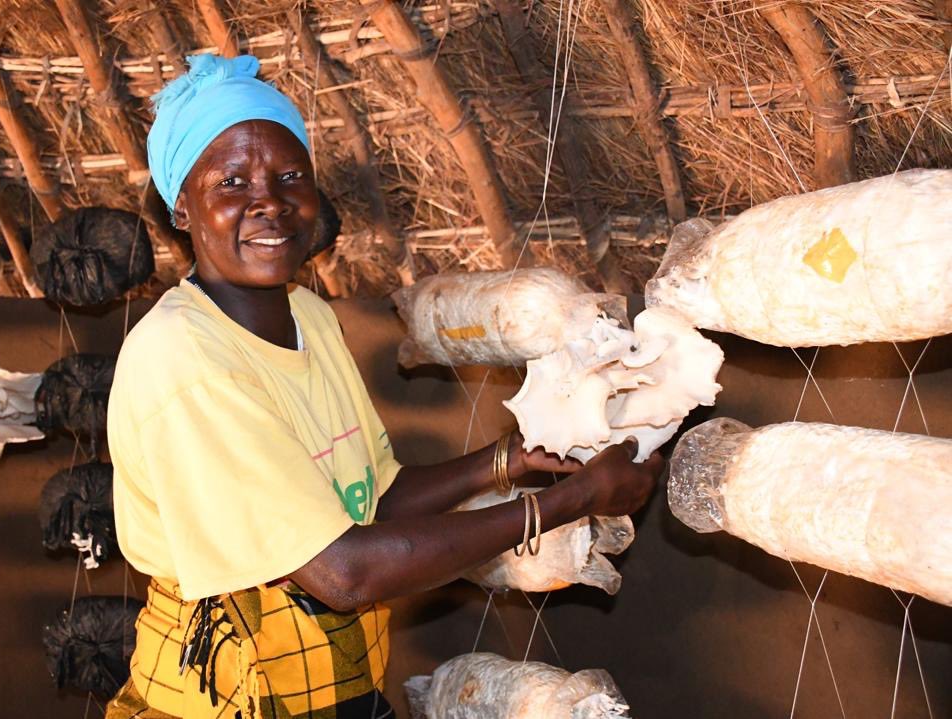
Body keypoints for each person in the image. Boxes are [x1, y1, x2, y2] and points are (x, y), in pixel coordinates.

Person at [105, 54, 662, 719]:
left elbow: (375, 496)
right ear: (181, 205)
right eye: (231, 181)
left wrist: (504, 461)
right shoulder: (184, 359)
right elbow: (345, 571)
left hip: (327, 688)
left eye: (290, 176)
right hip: (224, 700)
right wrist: (570, 500)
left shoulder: (309, 318)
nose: (270, 202)